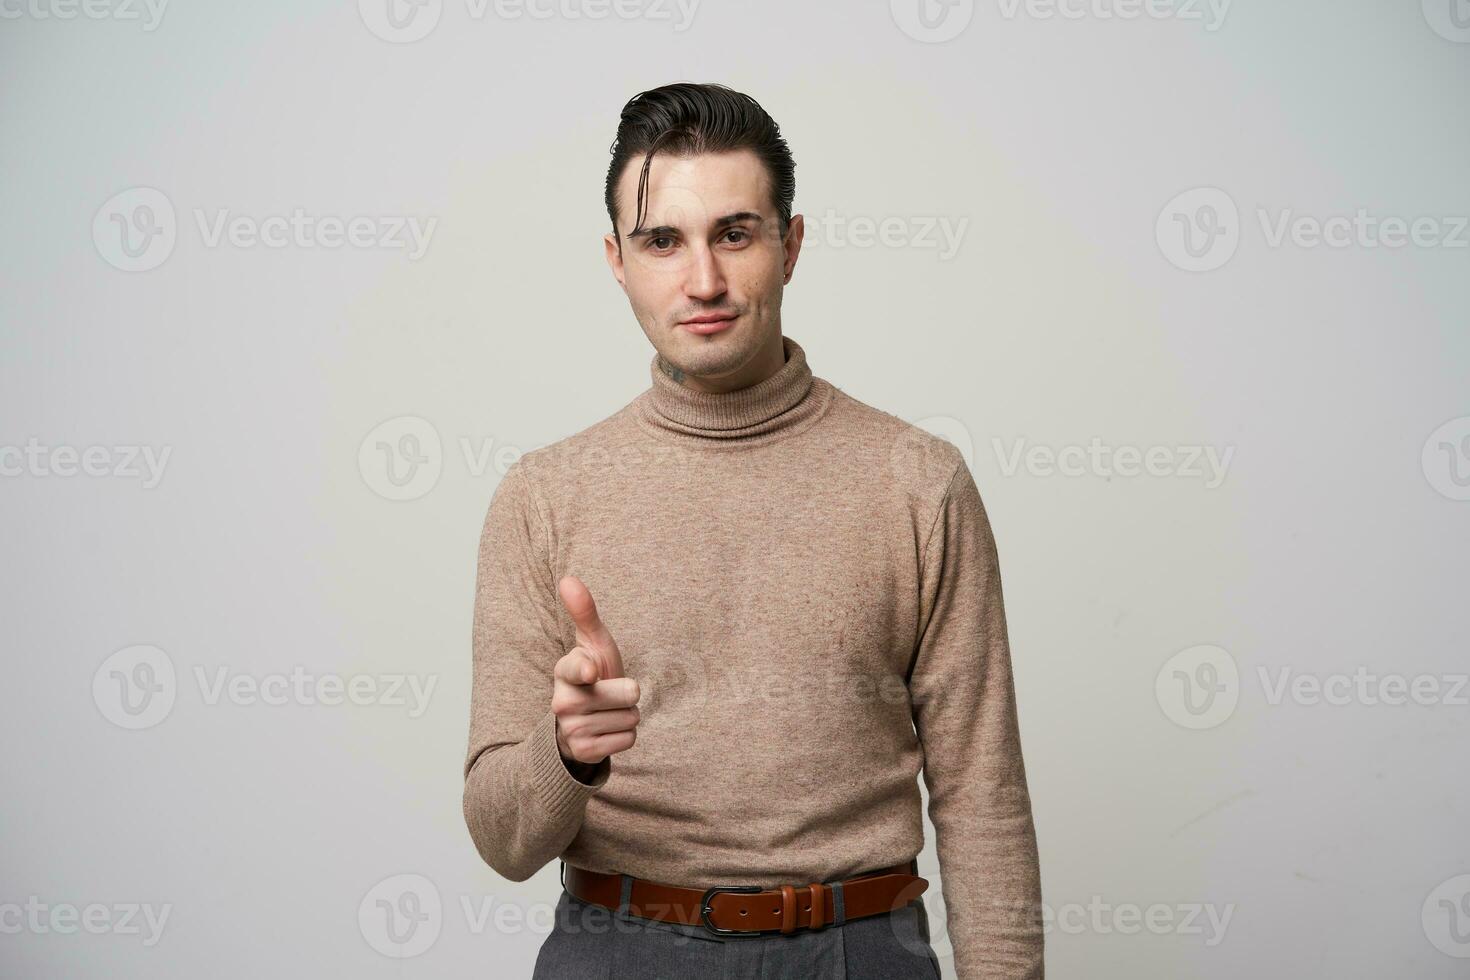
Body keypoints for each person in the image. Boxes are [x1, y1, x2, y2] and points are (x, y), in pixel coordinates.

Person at [462, 81, 1044, 979]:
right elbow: (502, 839)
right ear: (617, 260)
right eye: (664, 241)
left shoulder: (919, 482)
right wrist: (564, 752)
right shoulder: (544, 497)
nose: (704, 281)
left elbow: (983, 795)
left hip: (860, 950)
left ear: (790, 245)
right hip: (619, 950)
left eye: (735, 233)